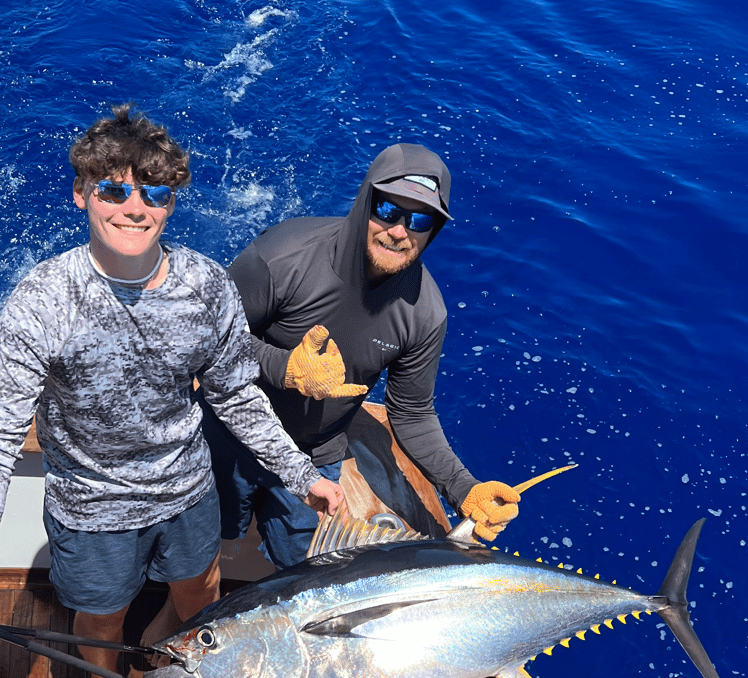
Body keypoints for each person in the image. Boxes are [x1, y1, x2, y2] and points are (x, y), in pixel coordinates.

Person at [0, 106, 344, 678]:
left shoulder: (207, 285)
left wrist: (301, 473)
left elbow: (235, 392)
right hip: (92, 509)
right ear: (81, 192)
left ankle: (168, 640)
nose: (134, 207)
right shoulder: (42, 299)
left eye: (154, 193)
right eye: (114, 190)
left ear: (170, 203)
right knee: (100, 614)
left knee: (200, 589)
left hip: (187, 490)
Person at [204, 141, 520, 570]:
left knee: (308, 568)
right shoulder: (281, 257)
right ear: (365, 201)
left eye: (420, 220)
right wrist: (286, 368)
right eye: (388, 210)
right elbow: (206, 341)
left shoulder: (425, 313)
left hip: (316, 452)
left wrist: (463, 488)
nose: (399, 231)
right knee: (214, 546)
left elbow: (411, 413)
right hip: (231, 437)